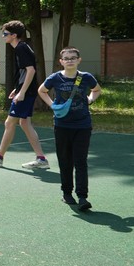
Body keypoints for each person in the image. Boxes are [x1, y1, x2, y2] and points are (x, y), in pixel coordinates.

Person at [0, 20, 49, 169]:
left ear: (14, 35)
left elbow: (31, 70)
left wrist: (22, 92)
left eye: (5, 34)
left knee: (9, 123)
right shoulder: (20, 48)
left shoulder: (21, 48)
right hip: (26, 90)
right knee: (24, 123)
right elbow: (24, 72)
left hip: (27, 92)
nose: (3, 36)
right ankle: (41, 159)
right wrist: (17, 89)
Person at [38, 47, 102, 211]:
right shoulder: (55, 78)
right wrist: (52, 105)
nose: (70, 61)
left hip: (83, 125)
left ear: (79, 60)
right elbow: (42, 90)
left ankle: (82, 197)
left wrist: (90, 100)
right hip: (62, 126)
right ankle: (67, 193)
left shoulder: (86, 77)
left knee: (81, 161)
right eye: (66, 58)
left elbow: (96, 90)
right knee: (65, 160)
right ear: (61, 62)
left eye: (73, 58)